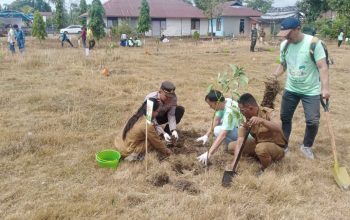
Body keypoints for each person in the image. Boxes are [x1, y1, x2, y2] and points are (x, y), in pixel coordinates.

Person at [271, 17, 330, 160]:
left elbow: (322, 67)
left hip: (311, 90)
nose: (286, 37)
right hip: (291, 89)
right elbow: (283, 64)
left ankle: (306, 146)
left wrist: (325, 88)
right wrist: (274, 76)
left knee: (313, 121)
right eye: (284, 35)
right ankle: (283, 146)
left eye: (288, 34)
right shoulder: (284, 45)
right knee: (285, 118)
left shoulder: (314, 44)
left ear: (298, 29)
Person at [224, 93, 286, 181]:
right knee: (231, 147)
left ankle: (265, 168)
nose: (241, 112)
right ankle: (260, 155)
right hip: (259, 144)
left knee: (260, 148)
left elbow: (278, 127)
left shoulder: (268, 113)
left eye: (242, 110)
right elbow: (240, 140)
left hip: (276, 147)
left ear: (251, 108)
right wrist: (234, 163)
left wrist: (262, 121)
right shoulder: (245, 118)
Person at [197, 90, 240, 165]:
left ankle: (235, 147)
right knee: (218, 127)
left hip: (245, 134)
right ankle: (232, 145)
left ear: (216, 103)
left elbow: (223, 134)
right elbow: (216, 120)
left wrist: (209, 153)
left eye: (211, 105)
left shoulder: (229, 111)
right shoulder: (224, 101)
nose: (210, 107)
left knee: (218, 130)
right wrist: (206, 135)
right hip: (236, 128)